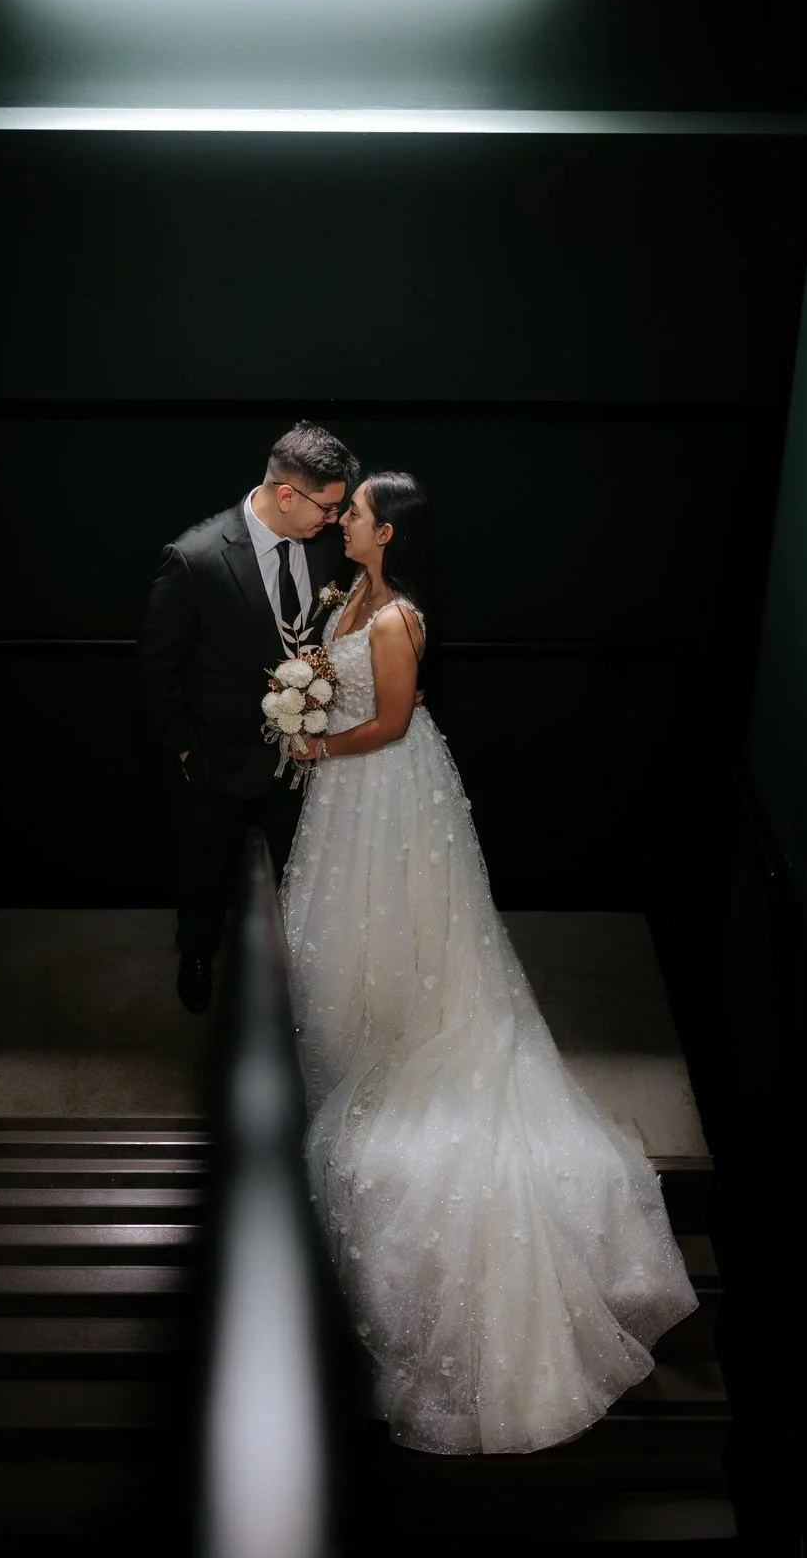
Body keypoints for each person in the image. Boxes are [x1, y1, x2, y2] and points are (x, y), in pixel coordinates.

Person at [281, 470, 700, 1455]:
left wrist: (312, 746)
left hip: (382, 784)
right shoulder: (353, 595)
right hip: (358, 793)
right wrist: (308, 699)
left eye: (355, 513)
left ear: (389, 531)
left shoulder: (393, 618)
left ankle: (397, 1031)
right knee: (340, 931)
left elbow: (385, 722)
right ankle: (361, 1019)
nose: (343, 518)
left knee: (406, 931)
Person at [139, 421, 357, 1013]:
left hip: (312, 759)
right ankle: (199, 955)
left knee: (302, 875)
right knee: (207, 868)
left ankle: (292, 972)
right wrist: (186, 748)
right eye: (329, 507)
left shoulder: (331, 548)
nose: (336, 520)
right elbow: (161, 666)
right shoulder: (195, 558)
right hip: (221, 756)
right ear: (288, 495)